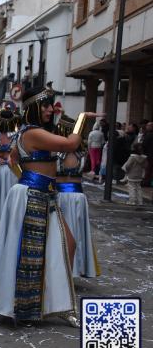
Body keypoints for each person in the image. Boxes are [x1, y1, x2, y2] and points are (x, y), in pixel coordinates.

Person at [0, 86, 96, 328]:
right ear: (34, 107)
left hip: (43, 193)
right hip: (33, 194)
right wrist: (83, 119)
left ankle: (57, 302)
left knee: (68, 244)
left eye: (50, 104)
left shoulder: (29, 133)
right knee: (29, 255)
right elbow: (70, 143)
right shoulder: (32, 132)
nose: (50, 109)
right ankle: (26, 306)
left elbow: (13, 157)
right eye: (45, 105)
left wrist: (29, 177)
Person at [55, 115, 100, 278]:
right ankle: (75, 269)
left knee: (60, 233)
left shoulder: (55, 153)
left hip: (60, 196)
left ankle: (63, 270)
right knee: (77, 233)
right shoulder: (82, 153)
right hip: (78, 197)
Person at [142, 121, 153, 187]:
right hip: (150, 154)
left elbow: (144, 145)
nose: (147, 127)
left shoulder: (149, 135)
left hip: (149, 155)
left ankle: (146, 182)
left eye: (148, 126)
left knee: (148, 169)